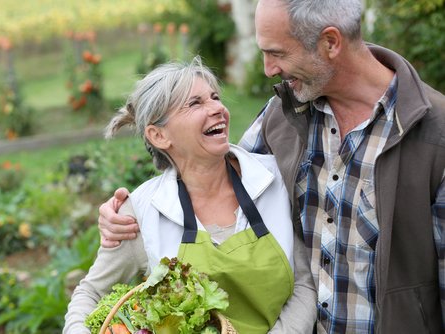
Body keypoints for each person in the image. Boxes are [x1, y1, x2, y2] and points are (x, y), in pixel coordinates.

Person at [97, 0, 445, 333]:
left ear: (330, 42)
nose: (268, 69)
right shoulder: (281, 117)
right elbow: (205, 169)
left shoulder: (434, 135)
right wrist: (129, 215)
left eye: (276, 53)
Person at [63, 57, 317, 334]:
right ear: (159, 136)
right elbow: (90, 293)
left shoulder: (275, 179)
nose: (218, 108)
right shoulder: (141, 211)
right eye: (195, 103)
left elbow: (304, 283)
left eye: (215, 97)